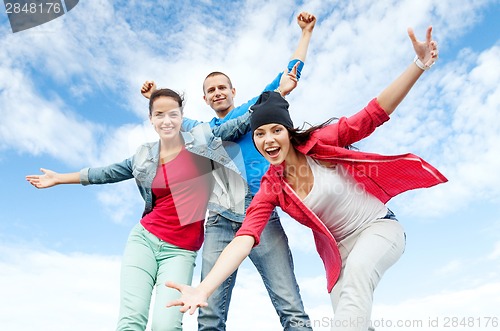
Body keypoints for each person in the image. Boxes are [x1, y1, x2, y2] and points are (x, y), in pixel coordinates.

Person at [165, 26, 448, 331]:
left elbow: (373, 114)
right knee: (352, 317)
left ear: (288, 131)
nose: (267, 139)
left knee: (356, 284)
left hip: (379, 228)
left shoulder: (321, 143)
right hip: (339, 253)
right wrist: (204, 289)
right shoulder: (272, 186)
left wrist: (419, 65)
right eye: (259, 133)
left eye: (275, 130)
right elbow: (245, 238)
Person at [141, 11, 317, 331]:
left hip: (261, 214)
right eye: (211, 90)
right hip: (220, 220)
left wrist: (305, 34)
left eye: (223, 87)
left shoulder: (256, 109)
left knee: (291, 307)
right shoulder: (201, 129)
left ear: (233, 91)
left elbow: (289, 75)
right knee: (207, 313)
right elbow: (170, 121)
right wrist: (154, 95)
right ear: (206, 99)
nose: (218, 92)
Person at [25, 88, 254, 331]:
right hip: (143, 240)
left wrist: (277, 95)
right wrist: (60, 178)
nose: (167, 121)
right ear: (151, 119)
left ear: (181, 116)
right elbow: (107, 172)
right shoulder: (144, 155)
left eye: (173, 115)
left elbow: (236, 126)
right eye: (159, 115)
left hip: (180, 250)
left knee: (165, 326)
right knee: (131, 322)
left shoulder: (201, 141)